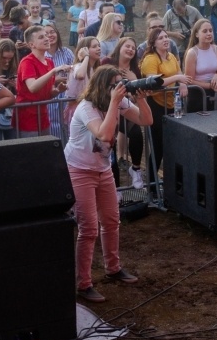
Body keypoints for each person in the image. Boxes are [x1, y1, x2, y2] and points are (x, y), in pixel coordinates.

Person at [65, 66, 152, 303]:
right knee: (89, 228)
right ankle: (83, 283)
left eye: (121, 83)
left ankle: (113, 268)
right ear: (103, 87)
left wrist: (140, 100)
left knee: (112, 220)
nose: (120, 88)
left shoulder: (119, 102)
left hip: (102, 169)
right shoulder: (86, 108)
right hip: (79, 170)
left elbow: (146, 120)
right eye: (115, 84)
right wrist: (115, 102)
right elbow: (103, 135)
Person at [140, 28, 192, 171]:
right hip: (156, 105)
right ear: (153, 43)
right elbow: (153, 83)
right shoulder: (150, 58)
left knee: (174, 145)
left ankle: (171, 183)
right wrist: (177, 78)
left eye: (166, 36)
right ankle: (152, 186)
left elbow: (179, 71)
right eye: (161, 38)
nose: (165, 39)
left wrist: (182, 83)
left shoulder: (171, 56)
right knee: (158, 147)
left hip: (173, 104)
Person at [15, 26, 71, 138]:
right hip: (28, 118)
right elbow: (32, 87)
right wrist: (53, 72)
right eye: (41, 37)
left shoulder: (49, 62)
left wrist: (57, 91)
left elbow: (47, 93)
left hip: (43, 116)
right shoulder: (27, 62)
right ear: (32, 45)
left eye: (46, 35)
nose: (46, 38)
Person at [105, 38, 145, 188]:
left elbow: (138, 96)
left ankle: (135, 169)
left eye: (133, 48)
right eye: (127, 46)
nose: (130, 49)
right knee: (110, 143)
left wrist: (134, 80)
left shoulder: (135, 68)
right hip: (108, 108)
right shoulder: (107, 62)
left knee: (135, 132)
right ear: (119, 47)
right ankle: (114, 185)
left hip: (127, 109)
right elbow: (101, 85)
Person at [184, 19, 217, 112]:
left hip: (214, 92)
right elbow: (189, 80)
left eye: (211, 30)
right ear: (196, 34)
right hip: (197, 94)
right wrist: (209, 86)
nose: (209, 33)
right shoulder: (192, 53)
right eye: (205, 31)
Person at [45, 23, 74, 141]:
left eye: (52, 32)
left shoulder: (66, 52)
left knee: (67, 128)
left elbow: (75, 70)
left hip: (66, 95)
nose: (50, 35)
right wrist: (55, 79)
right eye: (46, 34)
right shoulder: (41, 55)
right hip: (50, 98)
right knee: (52, 130)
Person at [0, 39, 19, 141]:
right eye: (4, 58)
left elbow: (22, 92)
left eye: (10, 58)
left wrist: (17, 86)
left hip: (12, 113)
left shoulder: (16, 67)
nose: (7, 61)